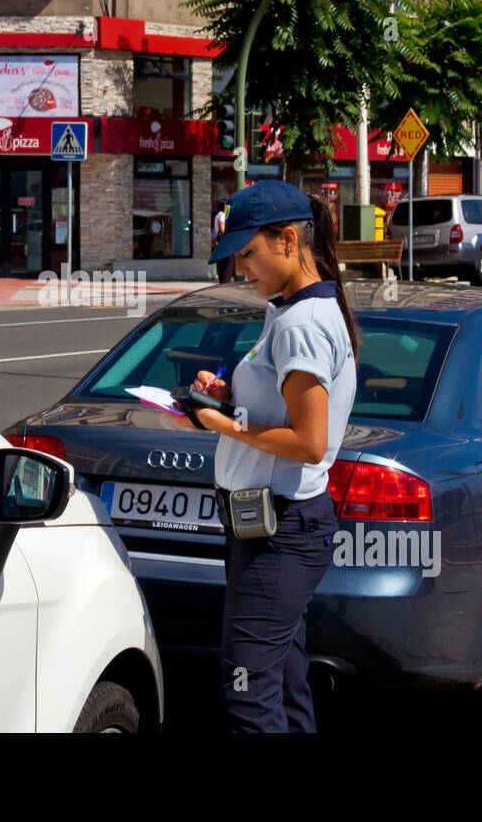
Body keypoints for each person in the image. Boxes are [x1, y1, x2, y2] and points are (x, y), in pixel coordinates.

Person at [167, 180, 360, 733]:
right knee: (285, 685)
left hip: (281, 531)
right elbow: (282, 407)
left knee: (247, 698)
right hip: (271, 528)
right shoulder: (293, 309)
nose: (241, 270)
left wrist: (224, 423)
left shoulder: (301, 322)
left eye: (248, 254)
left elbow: (308, 441)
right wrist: (229, 396)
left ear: (289, 239)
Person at [212, 200, 234, 284]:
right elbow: (222, 229)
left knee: (221, 267)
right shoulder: (222, 215)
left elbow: (215, 231)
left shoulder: (217, 216)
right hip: (226, 244)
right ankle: (225, 283)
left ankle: (222, 283)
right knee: (227, 266)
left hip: (220, 244)